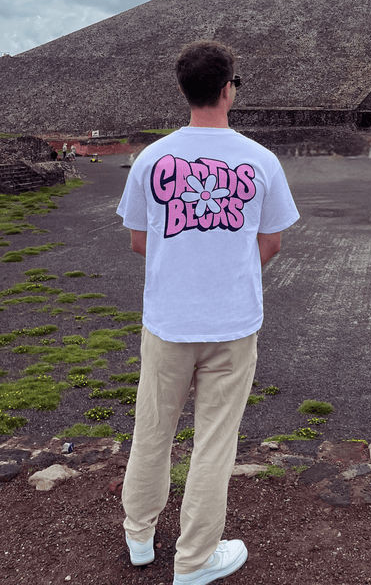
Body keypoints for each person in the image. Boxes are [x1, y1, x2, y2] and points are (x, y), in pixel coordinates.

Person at [116, 40, 299, 585]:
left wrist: (184, 257)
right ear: (228, 89)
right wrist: (224, 263)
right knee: (214, 440)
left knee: (152, 428)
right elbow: (271, 243)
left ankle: (139, 533)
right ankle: (195, 559)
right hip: (232, 322)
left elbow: (137, 240)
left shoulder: (151, 158)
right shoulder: (260, 160)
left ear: (183, 90)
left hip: (168, 321)